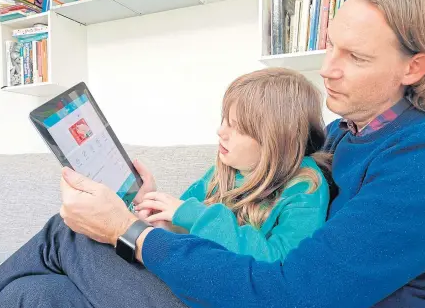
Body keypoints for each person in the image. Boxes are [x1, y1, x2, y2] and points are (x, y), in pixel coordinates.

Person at [0, 0, 425, 308]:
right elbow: (250, 187)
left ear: (415, 67)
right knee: (31, 301)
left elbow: (289, 306)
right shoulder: (340, 138)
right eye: (330, 42)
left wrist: (130, 231)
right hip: (260, 307)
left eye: (355, 57)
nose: (327, 69)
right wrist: (149, 204)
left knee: (69, 235)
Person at [134, 68, 331, 263]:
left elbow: (280, 263)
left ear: (277, 142)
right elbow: (184, 226)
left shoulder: (306, 189)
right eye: (224, 120)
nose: (220, 131)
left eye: (237, 127)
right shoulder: (225, 169)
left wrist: (195, 215)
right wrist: (156, 210)